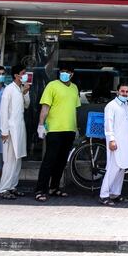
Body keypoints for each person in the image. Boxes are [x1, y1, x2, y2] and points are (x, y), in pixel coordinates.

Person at [35, 66, 80, 202]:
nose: (64, 74)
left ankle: (54, 187)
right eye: (62, 72)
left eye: (67, 72)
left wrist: (76, 127)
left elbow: (74, 109)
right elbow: (45, 107)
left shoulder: (74, 88)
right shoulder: (52, 85)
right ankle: (40, 190)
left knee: (61, 161)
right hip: (54, 129)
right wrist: (41, 125)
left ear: (71, 74)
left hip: (69, 129)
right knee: (49, 160)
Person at [0, 65, 31, 199]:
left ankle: (12, 186)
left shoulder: (20, 89)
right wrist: (4, 130)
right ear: (16, 76)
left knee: (18, 159)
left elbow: (27, 105)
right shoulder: (9, 89)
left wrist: (26, 93)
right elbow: (3, 111)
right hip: (10, 130)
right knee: (10, 160)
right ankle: (3, 188)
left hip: (20, 128)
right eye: (23, 73)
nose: (25, 76)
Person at [99, 83, 128, 206]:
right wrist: (111, 140)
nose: (125, 93)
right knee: (113, 169)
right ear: (117, 92)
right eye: (122, 91)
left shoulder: (125, 105)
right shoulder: (111, 106)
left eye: (127, 91)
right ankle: (104, 195)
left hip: (125, 143)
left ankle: (115, 194)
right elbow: (108, 124)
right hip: (115, 143)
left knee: (121, 168)